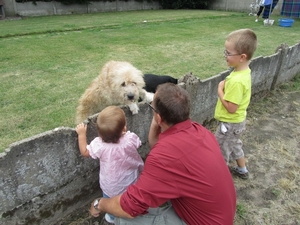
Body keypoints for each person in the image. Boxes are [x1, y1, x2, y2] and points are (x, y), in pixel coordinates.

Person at [89, 83, 236, 225]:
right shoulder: (200, 131)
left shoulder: (164, 159)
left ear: (159, 118)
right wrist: (157, 120)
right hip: (217, 214)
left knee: (123, 218)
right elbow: (157, 147)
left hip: (199, 221)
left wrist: (99, 204)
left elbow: (128, 208)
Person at [75, 106, 144, 224]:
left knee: (109, 201)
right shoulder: (130, 139)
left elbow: (85, 152)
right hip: (130, 182)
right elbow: (138, 144)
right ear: (124, 128)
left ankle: (112, 218)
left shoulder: (99, 145)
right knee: (127, 201)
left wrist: (81, 134)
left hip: (110, 185)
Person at [214, 29, 258, 180]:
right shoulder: (243, 72)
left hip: (229, 123)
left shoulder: (236, 81)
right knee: (235, 145)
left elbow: (231, 108)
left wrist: (220, 90)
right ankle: (242, 169)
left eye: (228, 53)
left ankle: (219, 180)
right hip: (238, 123)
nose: (224, 56)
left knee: (221, 151)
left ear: (242, 57)